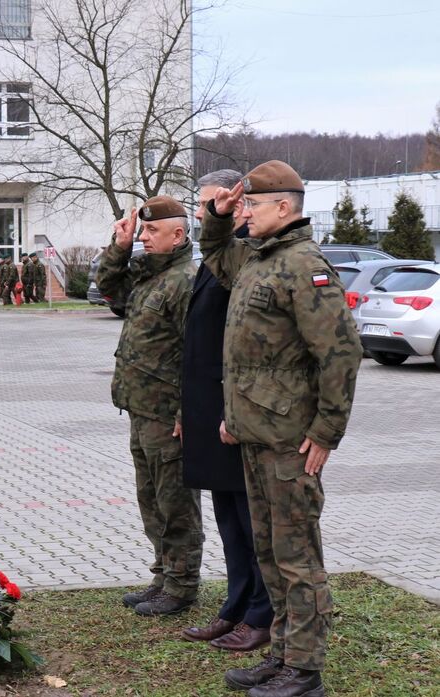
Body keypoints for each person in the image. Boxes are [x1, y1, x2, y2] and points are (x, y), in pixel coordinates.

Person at [202, 161, 362, 697]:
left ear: (284, 208)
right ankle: (282, 654)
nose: (244, 210)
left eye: (252, 204)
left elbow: (341, 353)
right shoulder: (258, 258)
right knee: (270, 553)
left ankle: (306, 671)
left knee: (298, 559)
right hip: (257, 433)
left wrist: (326, 432)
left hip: (292, 440)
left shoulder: (304, 265)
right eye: (242, 205)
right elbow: (219, 260)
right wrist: (217, 217)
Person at [178, 170, 273, 652]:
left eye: (204, 203)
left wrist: (230, 410)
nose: (198, 213)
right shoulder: (222, 252)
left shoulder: (248, 256)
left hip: (233, 409)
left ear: (234, 202)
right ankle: (236, 606)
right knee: (229, 518)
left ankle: (261, 613)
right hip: (208, 406)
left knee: (250, 519)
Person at [96, 196, 203, 617]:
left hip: (167, 413)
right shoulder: (150, 276)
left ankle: (182, 583)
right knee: (151, 498)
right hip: (140, 407)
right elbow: (110, 289)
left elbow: (196, 355)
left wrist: (186, 413)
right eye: (141, 231)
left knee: (175, 501)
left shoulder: (184, 281)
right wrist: (119, 249)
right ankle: (162, 575)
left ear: (178, 235)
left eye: (150, 231)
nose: (143, 237)